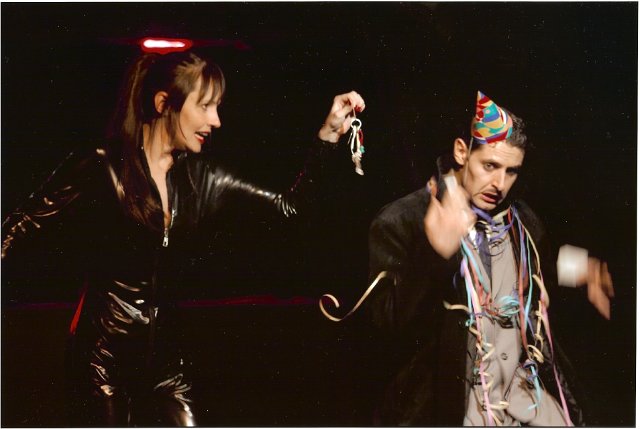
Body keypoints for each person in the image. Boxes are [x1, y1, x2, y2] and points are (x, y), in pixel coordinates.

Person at [1, 50, 365, 426]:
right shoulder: (103, 164)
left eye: (217, 107)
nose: (216, 120)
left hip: (166, 367)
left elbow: (289, 208)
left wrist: (328, 135)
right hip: (102, 363)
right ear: (164, 104)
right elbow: (21, 225)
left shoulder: (203, 179)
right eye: (205, 106)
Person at [365, 91, 613, 426]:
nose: (500, 184)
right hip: (454, 408)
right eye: (490, 166)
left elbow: (536, 267)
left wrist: (579, 267)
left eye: (512, 171)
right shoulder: (402, 220)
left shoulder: (522, 220)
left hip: (525, 400)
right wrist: (435, 255)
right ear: (461, 152)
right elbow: (386, 331)